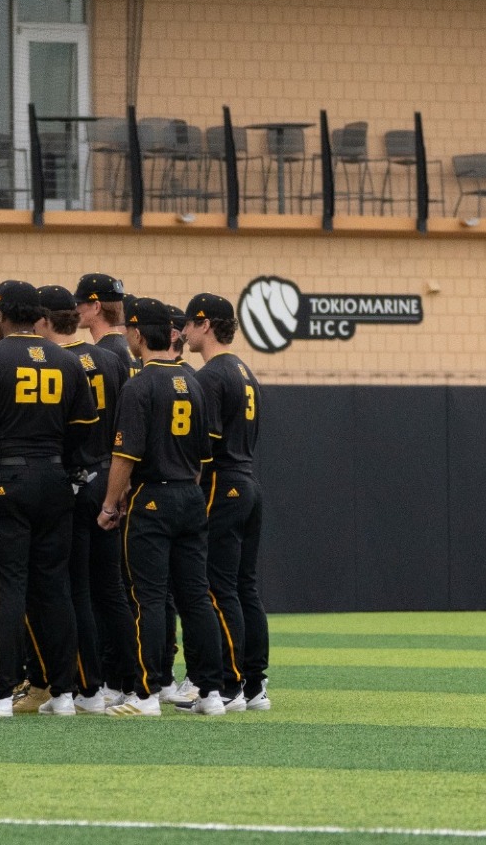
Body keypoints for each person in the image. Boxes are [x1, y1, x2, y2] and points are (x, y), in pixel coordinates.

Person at [0, 282, 97, 718]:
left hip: (6, 476)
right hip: (54, 478)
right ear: (39, 316)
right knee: (53, 588)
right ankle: (62, 693)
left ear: (2, 314)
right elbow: (85, 429)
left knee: (7, 588)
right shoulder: (67, 360)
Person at [99, 297, 227, 717]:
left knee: (149, 598)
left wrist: (110, 504)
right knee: (196, 598)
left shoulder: (138, 385)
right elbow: (203, 459)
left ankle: (146, 693)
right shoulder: (194, 381)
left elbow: (124, 456)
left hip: (152, 497)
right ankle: (210, 692)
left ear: (137, 334)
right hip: (190, 496)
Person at [40, 286, 134, 712]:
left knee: (76, 588)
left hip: (76, 478)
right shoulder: (112, 359)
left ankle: (90, 687)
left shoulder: (57, 362)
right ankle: (131, 683)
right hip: (109, 475)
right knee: (111, 588)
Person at [183, 292, 270, 712]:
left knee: (218, 586)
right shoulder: (245, 371)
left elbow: (206, 446)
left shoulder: (211, 375)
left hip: (222, 483)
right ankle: (254, 685)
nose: (183, 332)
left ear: (205, 324)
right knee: (244, 586)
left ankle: (230, 685)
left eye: (189, 323)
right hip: (248, 482)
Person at [75, 273, 135, 376]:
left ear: (96, 307)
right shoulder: (130, 348)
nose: (76, 309)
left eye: (79, 303)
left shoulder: (104, 352)